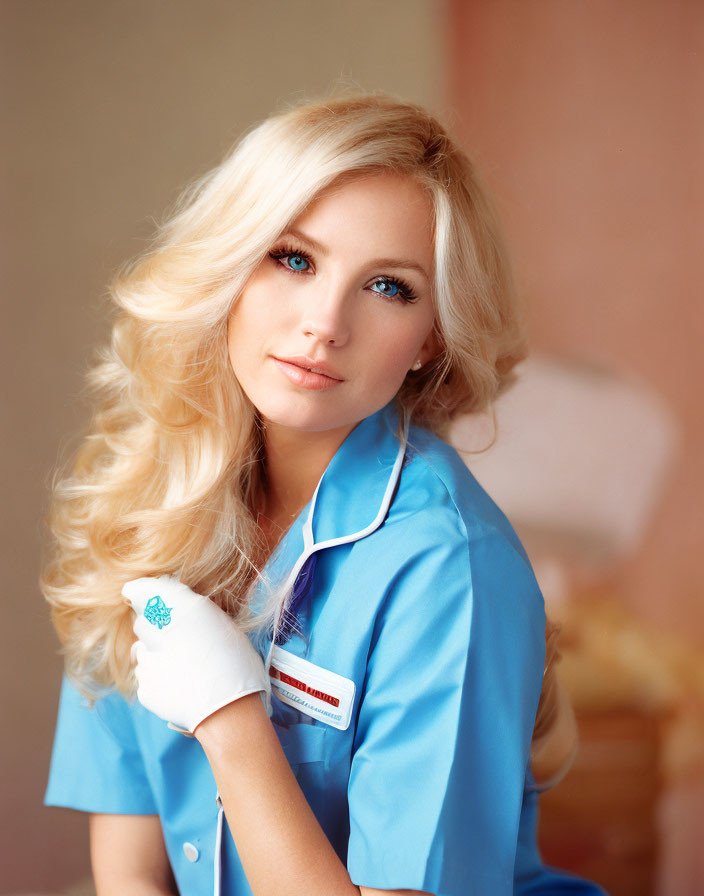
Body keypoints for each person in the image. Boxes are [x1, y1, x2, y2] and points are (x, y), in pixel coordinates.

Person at [41, 89, 606, 896]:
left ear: (430, 338)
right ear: (232, 265)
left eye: (389, 288)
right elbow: (131, 870)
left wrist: (232, 720)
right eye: (294, 259)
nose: (324, 324)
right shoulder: (148, 496)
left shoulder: (450, 568)